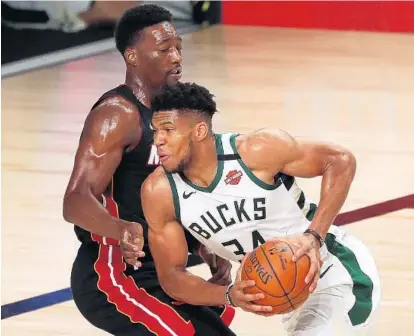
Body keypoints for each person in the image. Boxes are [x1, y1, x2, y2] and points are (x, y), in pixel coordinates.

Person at [140, 82, 382, 335]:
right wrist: (228, 295)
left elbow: (340, 160)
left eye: (168, 130)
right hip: (289, 293)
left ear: (199, 131)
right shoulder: (159, 192)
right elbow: (171, 277)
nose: (158, 140)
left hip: (335, 271)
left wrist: (313, 236)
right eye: (155, 130)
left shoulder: (255, 151)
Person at [63, 6, 235, 336]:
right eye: (164, 49)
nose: (176, 57)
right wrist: (120, 228)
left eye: (178, 48)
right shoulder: (118, 115)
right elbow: (75, 200)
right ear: (132, 56)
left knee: (218, 322)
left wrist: (206, 245)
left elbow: (178, 196)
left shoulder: (177, 116)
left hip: (166, 268)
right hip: (114, 272)